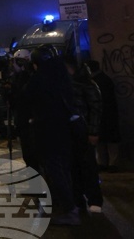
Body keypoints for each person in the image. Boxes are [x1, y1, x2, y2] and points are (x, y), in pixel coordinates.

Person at [28, 45, 80, 226]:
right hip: (64, 130)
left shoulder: (41, 78)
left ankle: (69, 208)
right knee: (64, 168)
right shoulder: (61, 75)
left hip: (48, 130)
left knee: (54, 169)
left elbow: (27, 99)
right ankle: (71, 205)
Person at [63, 54, 103, 214]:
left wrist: (93, 131)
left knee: (88, 167)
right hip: (70, 131)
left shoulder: (87, 84)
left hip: (84, 131)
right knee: (73, 167)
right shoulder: (66, 83)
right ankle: (78, 200)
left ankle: (94, 200)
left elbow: (96, 109)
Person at [87, 60, 120, 170]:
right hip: (110, 114)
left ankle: (102, 163)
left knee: (100, 141)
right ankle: (112, 164)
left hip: (100, 115)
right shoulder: (106, 79)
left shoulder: (92, 82)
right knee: (111, 141)